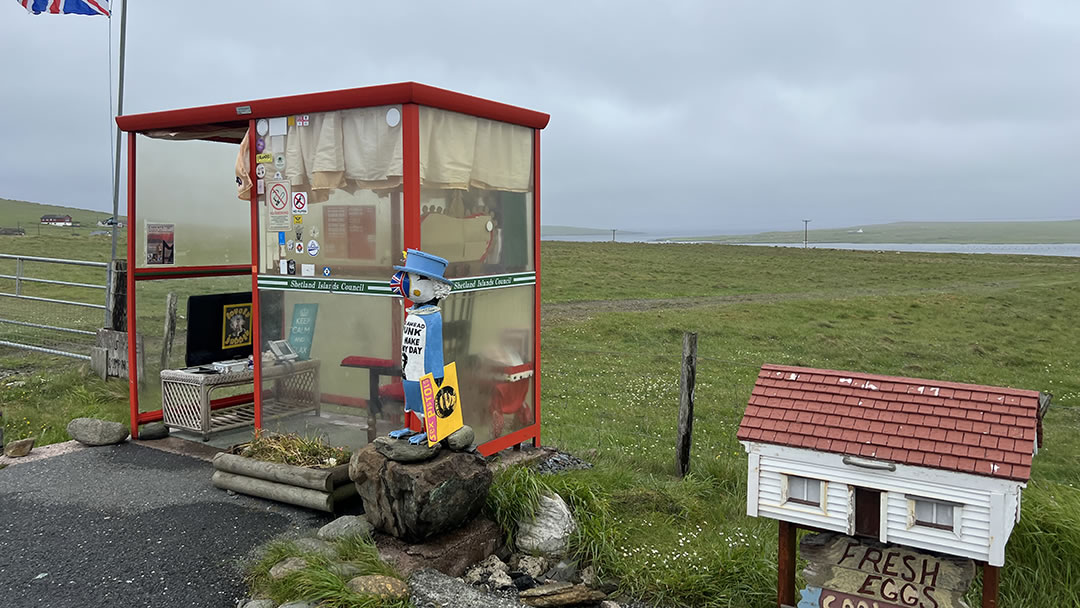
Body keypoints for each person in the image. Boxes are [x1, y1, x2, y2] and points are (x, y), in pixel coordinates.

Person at [387, 249, 454, 444]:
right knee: (411, 398)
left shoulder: (433, 316)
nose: (407, 284)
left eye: (416, 279)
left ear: (435, 288)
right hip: (409, 369)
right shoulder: (413, 312)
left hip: (424, 371)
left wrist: (437, 372)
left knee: (426, 402)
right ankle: (409, 425)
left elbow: (434, 348)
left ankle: (427, 429)